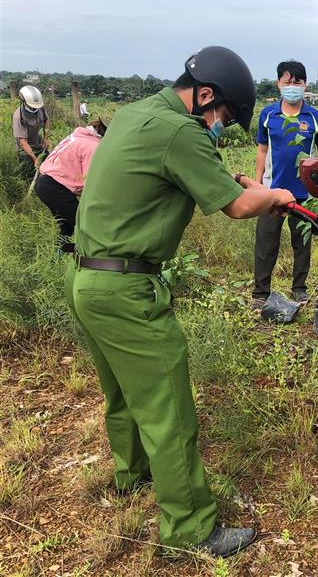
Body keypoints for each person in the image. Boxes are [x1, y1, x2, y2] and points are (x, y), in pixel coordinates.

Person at [65, 46, 295, 557]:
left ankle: (133, 475)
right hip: (127, 290)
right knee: (168, 408)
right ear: (206, 96)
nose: (220, 125)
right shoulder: (183, 131)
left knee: (124, 391)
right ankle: (191, 528)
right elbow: (237, 206)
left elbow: (190, 174)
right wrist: (275, 196)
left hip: (86, 279)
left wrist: (236, 179)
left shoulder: (136, 113)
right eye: (223, 117)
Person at [252, 60, 318, 308]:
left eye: (297, 82)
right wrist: (257, 184)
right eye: (288, 82)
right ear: (278, 84)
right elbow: (262, 150)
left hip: (304, 193)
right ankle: (261, 293)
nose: (292, 86)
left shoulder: (315, 118)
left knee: (302, 243)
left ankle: (299, 289)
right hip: (272, 191)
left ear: (305, 85)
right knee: (266, 242)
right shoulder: (268, 115)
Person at [34, 119, 107, 253]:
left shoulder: (77, 136)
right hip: (56, 188)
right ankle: (91, 260)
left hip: (44, 183)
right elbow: (89, 182)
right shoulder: (93, 146)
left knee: (67, 227)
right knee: (85, 227)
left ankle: (57, 257)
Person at [13, 85, 50, 180]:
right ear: (23, 101)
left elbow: (46, 121)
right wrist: (35, 158)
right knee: (28, 173)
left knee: (48, 166)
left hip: (38, 143)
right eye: (32, 107)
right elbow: (23, 142)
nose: (34, 109)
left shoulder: (40, 108)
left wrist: (45, 138)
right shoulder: (19, 116)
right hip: (25, 149)